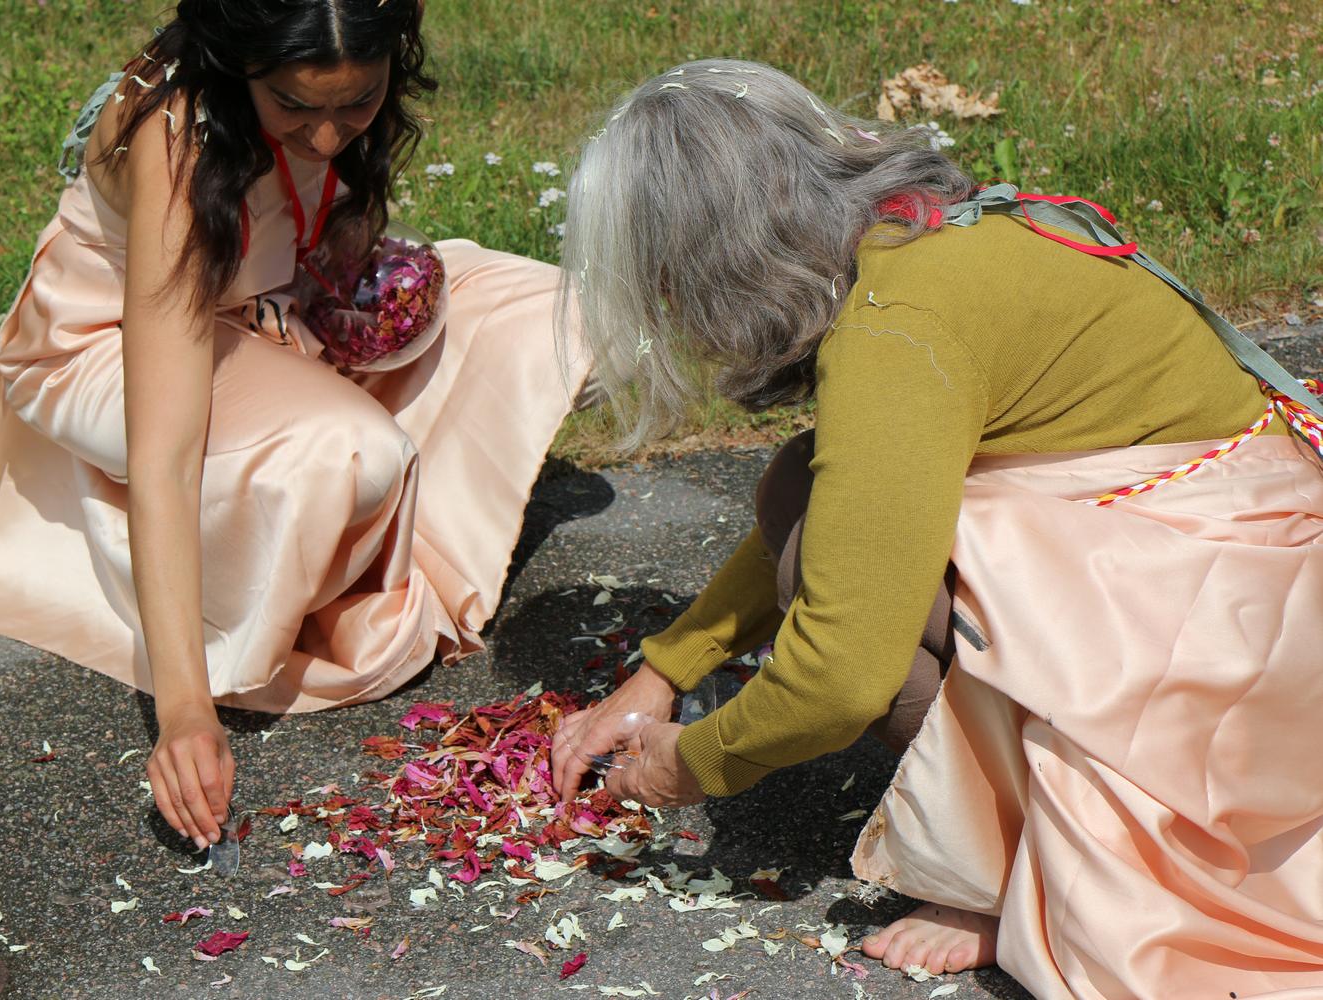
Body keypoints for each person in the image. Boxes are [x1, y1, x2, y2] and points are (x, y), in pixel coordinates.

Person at [549, 59, 1323, 997]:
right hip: (1244, 580)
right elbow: (855, 510)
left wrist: (693, 765)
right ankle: (1008, 815)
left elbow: (838, 676)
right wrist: (667, 670)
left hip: (1240, 661)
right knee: (804, 489)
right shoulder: (925, 236)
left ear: (709, 263)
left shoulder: (893, 331)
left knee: (819, 568)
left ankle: (1005, 865)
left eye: (664, 282)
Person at [0, 1, 588, 856]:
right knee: (353, 452)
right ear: (239, 61)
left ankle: (337, 507)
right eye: (294, 106)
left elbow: (312, 202)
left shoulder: (337, 92)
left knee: (554, 314)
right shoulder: (174, 141)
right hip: (106, 347)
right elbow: (167, 454)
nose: (326, 135)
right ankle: (263, 568)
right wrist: (184, 709)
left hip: (268, 313)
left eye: (358, 102)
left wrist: (352, 264)